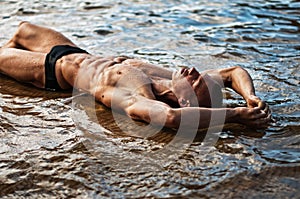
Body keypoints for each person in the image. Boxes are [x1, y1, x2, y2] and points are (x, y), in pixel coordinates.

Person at [0, 21, 271, 129]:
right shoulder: (172, 78)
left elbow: (171, 118)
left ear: (187, 101)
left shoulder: (138, 99)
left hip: (51, 70)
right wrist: (250, 97)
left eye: (194, 81)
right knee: (24, 28)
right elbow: (233, 72)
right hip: (77, 51)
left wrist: (235, 115)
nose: (193, 72)